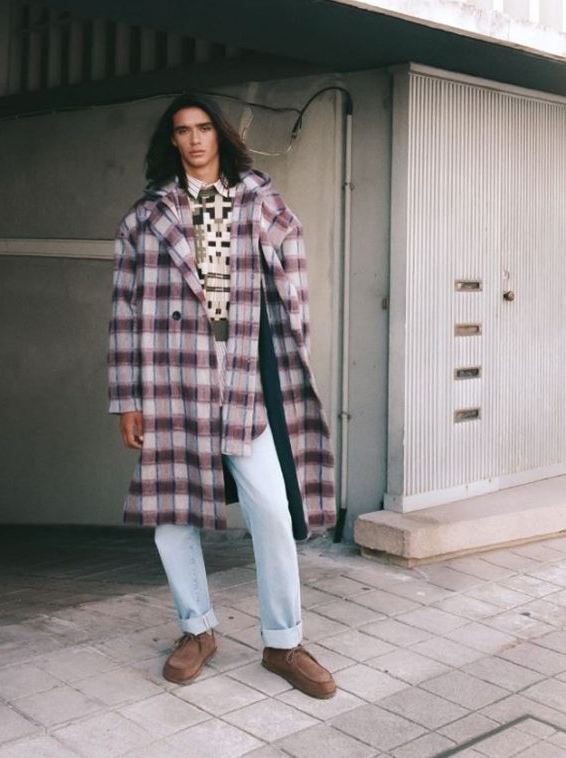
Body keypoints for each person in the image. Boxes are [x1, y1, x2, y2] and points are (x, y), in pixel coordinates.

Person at [108, 93, 336, 697]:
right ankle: (196, 631)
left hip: (241, 374)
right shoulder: (145, 218)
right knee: (170, 518)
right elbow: (124, 312)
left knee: (273, 510)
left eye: (204, 128)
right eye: (183, 130)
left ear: (220, 135)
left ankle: (284, 643)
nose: (195, 139)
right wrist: (128, 398)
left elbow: (295, 283)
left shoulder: (261, 202)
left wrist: (291, 350)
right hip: (171, 380)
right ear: (172, 140)